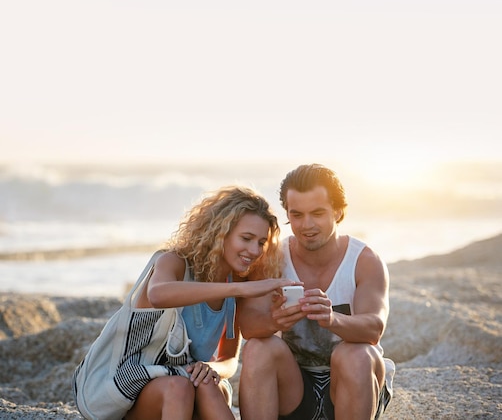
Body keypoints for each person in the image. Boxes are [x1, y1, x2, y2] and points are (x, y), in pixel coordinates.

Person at [74, 185, 295, 420]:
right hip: (126, 389)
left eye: (261, 242)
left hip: (185, 383)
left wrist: (211, 368)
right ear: (220, 232)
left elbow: (229, 361)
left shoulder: (234, 287)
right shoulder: (174, 263)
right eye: (246, 238)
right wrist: (241, 287)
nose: (254, 250)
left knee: (208, 382)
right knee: (179, 387)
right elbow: (159, 294)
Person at [238, 164, 395, 420]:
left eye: (318, 213)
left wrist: (333, 319)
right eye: (297, 214)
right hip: (295, 387)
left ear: (338, 211)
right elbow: (249, 327)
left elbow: (373, 329)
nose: (306, 225)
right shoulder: (273, 258)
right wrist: (273, 320)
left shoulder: (364, 260)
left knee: (355, 353)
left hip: (353, 383)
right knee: (258, 349)